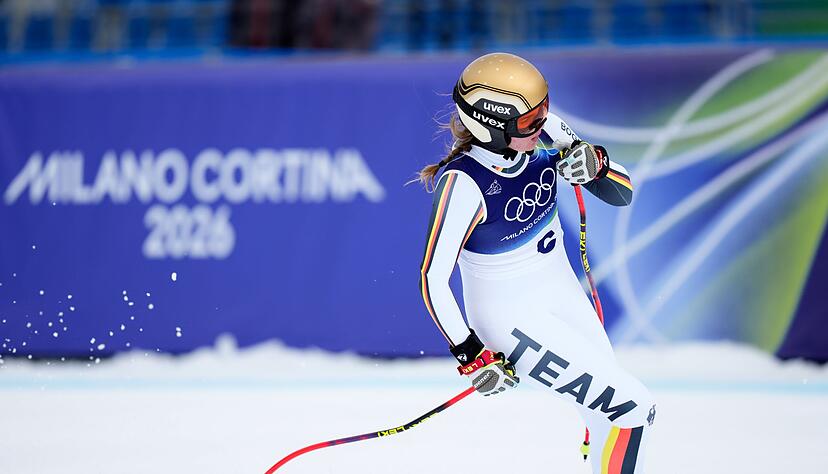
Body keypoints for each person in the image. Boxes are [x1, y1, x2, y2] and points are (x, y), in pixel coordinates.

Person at [417, 52, 655, 473]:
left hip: (558, 292)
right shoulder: (464, 184)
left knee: (606, 417)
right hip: (509, 316)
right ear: (489, 129)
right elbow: (433, 278)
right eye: (529, 122)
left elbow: (623, 192)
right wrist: (471, 354)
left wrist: (595, 165)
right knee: (633, 409)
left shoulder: (539, 131)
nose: (542, 125)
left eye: (543, 109)